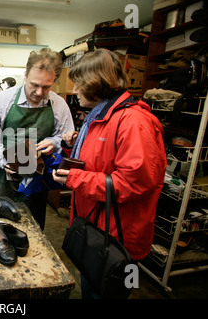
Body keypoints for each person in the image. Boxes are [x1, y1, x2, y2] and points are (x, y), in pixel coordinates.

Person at [52, 48, 167, 298]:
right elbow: (103, 159)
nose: (76, 90)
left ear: (97, 84)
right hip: (96, 228)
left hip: (116, 237)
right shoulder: (100, 115)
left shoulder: (133, 122)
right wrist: (74, 145)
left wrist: (75, 179)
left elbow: (134, 183)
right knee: (91, 290)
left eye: (81, 83)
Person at [0, 48, 75, 230]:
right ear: (25, 75)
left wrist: (55, 143)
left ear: (54, 81)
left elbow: (66, 138)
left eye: (46, 86)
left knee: (33, 228)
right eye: (34, 84)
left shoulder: (59, 105)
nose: (39, 92)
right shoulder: (3, 100)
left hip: (36, 182)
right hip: (4, 178)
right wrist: (4, 161)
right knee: (2, 227)